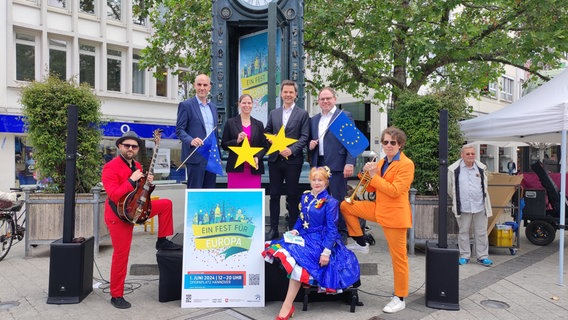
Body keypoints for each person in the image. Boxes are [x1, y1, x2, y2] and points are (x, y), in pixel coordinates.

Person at [263, 167, 360, 320]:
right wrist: (295, 230)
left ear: (326, 183)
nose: (316, 183)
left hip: (321, 241)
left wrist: (326, 252)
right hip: (305, 236)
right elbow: (301, 219)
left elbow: (332, 229)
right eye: (314, 180)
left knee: (298, 262)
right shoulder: (306, 197)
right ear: (310, 181)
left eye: (320, 180)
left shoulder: (331, 202)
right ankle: (289, 303)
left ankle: (287, 306)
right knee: (285, 251)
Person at [102, 131, 182, 309]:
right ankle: (116, 295)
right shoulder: (110, 167)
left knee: (166, 204)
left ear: (137, 149)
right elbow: (114, 195)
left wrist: (148, 181)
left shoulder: (137, 165)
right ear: (120, 147)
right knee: (121, 255)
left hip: (136, 208)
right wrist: (132, 179)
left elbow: (141, 190)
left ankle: (162, 241)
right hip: (118, 216)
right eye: (127, 146)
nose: (130, 149)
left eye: (134, 146)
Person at [339, 127, 414, 314]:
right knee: (346, 206)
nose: (388, 145)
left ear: (400, 145)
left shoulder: (406, 164)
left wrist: (374, 176)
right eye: (386, 142)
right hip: (378, 209)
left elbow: (395, 191)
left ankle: (400, 297)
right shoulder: (381, 162)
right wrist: (365, 175)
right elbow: (372, 189)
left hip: (395, 216)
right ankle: (361, 241)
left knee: (399, 259)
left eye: (393, 143)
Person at [308, 87, 355, 243]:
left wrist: (349, 162)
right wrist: (310, 145)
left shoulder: (343, 116)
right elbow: (309, 141)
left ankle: (341, 231)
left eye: (328, 98)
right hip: (319, 165)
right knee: (321, 199)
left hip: (338, 165)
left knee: (338, 199)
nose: (325, 101)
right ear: (318, 101)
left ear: (335, 99)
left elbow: (352, 142)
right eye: (322, 99)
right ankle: (325, 230)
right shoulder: (314, 120)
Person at [264, 80, 309, 240]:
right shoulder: (274, 113)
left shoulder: (302, 114)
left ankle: (292, 228)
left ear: (296, 94)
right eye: (285, 92)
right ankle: (273, 229)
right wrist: (271, 139)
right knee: (274, 195)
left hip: (293, 161)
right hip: (275, 160)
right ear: (281, 94)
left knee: (292, 195)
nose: (288, 95)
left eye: (291, 92)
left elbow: (305, 136)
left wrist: (292, 149)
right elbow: (267, 131)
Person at [448, 144, 493, 267]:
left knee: (481, 232)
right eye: (467, 154)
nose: (470, 156)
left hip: (480, 205)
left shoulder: (481, 168)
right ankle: (464, 256)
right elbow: (449, 188)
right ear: (462, 155)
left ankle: (482, 257)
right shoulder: (454, 169)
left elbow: (485, 185)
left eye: (472, 154)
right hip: (463, 206)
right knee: (463, 232)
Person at [176, 74, 218, 189]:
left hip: (211, 157)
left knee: (209, 193)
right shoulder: (186, 105)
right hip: (195, 156)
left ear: (209, 87)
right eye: (199, 84)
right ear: (194, 86)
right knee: (195, 193)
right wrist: (191, 140)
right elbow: (179, 130)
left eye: (205, 85)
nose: (202, 88)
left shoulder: (213, 107)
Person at [221, 94, 267, 188]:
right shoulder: (230, 123)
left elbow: (264, 146)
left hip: (253, 168)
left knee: (253, 199)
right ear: (239, 104)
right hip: (236, 168)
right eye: (244, 103)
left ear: (252, 105)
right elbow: (224, 145)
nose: (247, 105)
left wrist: (257, 157)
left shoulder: (259, 124)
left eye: (249, 103)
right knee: (234, 199)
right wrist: (237, 141)